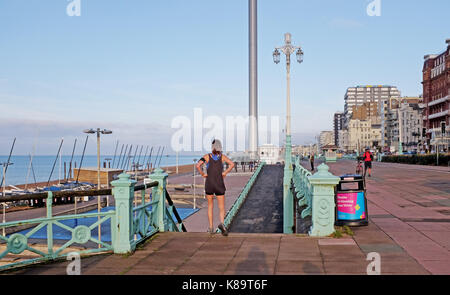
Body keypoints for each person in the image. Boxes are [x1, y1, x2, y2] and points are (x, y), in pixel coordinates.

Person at [196, 139, 235, 236]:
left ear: (212, 147)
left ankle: (211, 228)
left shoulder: (207, 156)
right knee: (221, 207)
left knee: (210, 206)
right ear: (220, 147)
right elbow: (232, 164)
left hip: (209, 184)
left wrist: (202, 174)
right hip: (219, 185)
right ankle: (222, 224)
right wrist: (225, 173)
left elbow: (198, 165)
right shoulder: (222, 157)